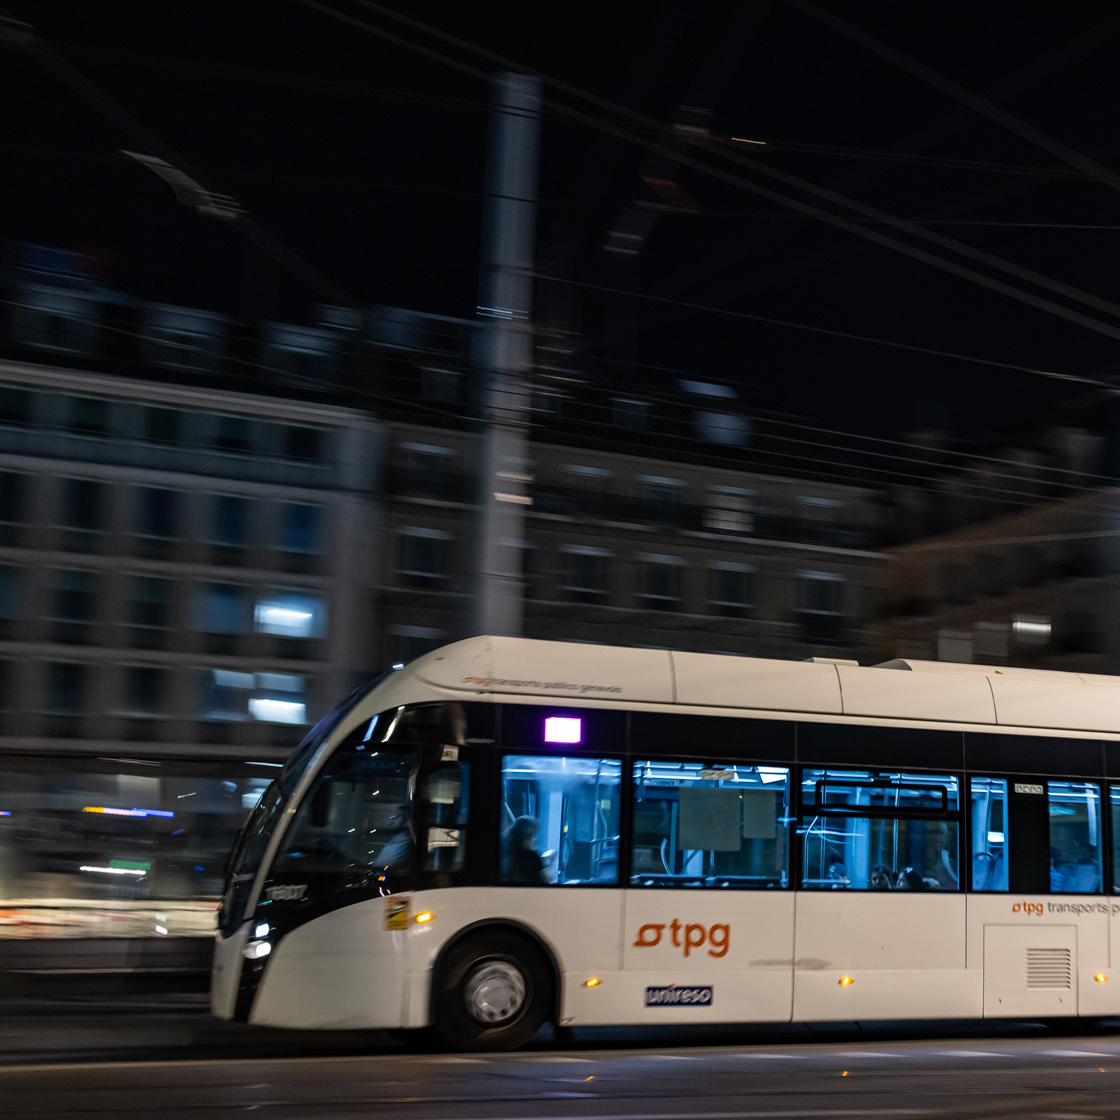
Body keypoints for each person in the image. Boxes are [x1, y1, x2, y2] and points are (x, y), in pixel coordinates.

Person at [504, 816, 549, 885]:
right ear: (527, 836)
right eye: (534, 835)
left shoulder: (510, 856)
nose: (536, 839)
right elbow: (546, 881)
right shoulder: (531, 856)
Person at [377, 805, 411, 871]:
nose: (391, 819)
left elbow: (389, 866)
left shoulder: (406, 845)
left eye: (397, 816)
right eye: (392, 816)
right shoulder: (391, 843)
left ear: (407, 822)